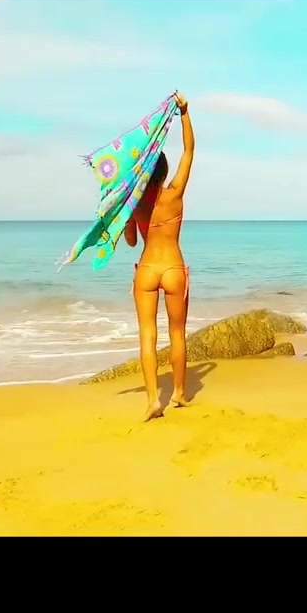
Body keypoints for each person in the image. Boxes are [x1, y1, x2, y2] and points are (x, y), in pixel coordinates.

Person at [124, 91, 195, 421]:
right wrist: (184, 113)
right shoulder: (175, 193)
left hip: (148, 269)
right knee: (177, 333)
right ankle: (178, 393)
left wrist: (129, 217)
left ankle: (153, 400)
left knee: (147, 336)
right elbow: (189, 151)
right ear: (165, 171)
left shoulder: (134, 204)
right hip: (173, 268)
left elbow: (129, 241)